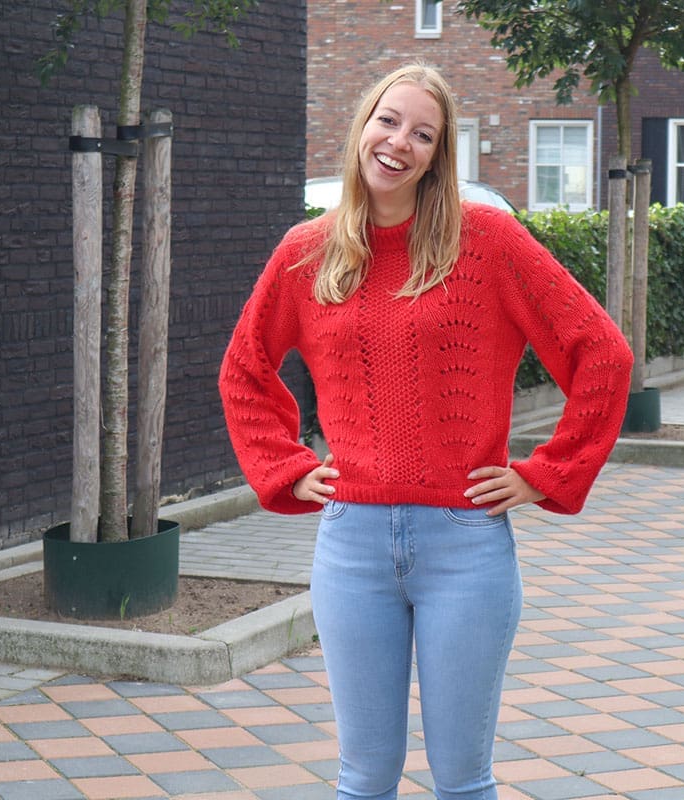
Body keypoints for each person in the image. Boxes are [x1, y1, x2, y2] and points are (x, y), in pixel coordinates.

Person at [219, 63, 632, 800]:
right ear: (363, 126)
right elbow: (244, 370)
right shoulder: (306, 251)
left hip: (465, 544)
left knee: (462, 779)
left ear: (438, 157)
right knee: (364, 776)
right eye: (388, 120)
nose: (398, 142)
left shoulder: (489, 241)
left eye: (423, 134)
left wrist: (546, 473)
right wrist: (287, 468)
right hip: (350, 545)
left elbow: (602, 353)